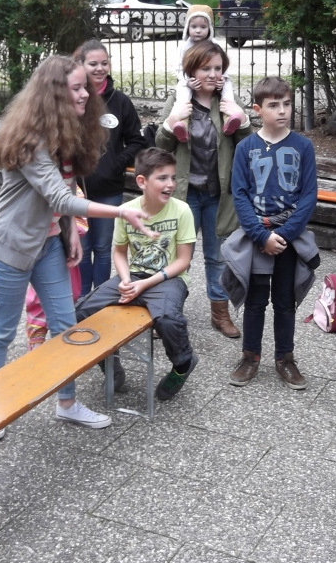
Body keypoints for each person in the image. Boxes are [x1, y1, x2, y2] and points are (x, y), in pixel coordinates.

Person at [0, 55, 155, 439]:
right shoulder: (31, 139)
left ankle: (67, 403)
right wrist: (121, 212)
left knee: (64, 324)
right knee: (2, 332)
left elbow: (67, 187)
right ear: (54, 94)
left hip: (46, 246)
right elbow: (59, 197)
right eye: (76, 88)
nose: (86, 93)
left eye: (85, 87)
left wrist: (70, 232)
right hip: (10, 249)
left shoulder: (66, 134)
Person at [75, 147, 198, 401]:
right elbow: (119, 252)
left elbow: (183, 261)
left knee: (168, 320)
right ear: (142, 181)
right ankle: (109, 362)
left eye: (173, 177)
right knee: (81, 311)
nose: (170, 184)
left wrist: (146, 284)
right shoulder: (126, 210)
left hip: (169, 279)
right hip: (134, 276)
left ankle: (183, 364)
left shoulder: (182, 210)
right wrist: (125, 279)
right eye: (162, 178)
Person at [222, 76, 320, 390]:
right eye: (274, 105)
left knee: (285, 300)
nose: (282, 111)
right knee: (255, 300)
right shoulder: (245, 148)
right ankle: (250, 356)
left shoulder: (303, 146)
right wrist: (261, 236)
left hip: (289, 236)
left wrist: (286, 235)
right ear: (257, 110)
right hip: (257, 235)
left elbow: (308, 195)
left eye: (287, 104)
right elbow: (239, 194)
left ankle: (285, 358)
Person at [156, 40, 252, 339]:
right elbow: (160, 146)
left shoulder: (229, 103)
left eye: (218, 68)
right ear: (192, 71)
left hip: (218, 195)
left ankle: (219, 313)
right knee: (176, 255)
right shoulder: (179, 100)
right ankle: (167, 312)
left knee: (217, 256)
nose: (213, 74)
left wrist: (242, 120)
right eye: (206, 68)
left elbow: (247, 147)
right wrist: (173, 120)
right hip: (184, 195)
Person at [73, 40, 146, 296]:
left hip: (109, 189)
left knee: (103, 248)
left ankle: (100, 297)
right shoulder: (73, 99)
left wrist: (116, 163)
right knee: (82, 250)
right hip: (76, 190)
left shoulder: (120, 101)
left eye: (104, 63)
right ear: (80, 65)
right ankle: (82, 300)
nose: (99, 68)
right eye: (93, 63)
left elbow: (137, 140)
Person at [170, 5, 242, 142]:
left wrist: (222, 78)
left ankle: (229, 117)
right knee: (183, 93)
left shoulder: (215, 45)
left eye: (203, 27)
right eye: (194, 27)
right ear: (187, 28)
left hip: (217, 84)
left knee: (227, 86)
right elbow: (179, 68)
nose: (198, 30)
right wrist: (188, 81)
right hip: (189, 80)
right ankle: (182, 123)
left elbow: (222, 65)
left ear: (210, 28)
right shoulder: (185, 46)